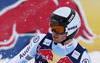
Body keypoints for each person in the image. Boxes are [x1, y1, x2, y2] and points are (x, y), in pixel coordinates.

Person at [7, 7, 92, 63]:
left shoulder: (81, 57)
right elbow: (17, 60)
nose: (54, 32)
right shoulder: (41, 41)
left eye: (59, 29)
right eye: (52, 27)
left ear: (71, 30)